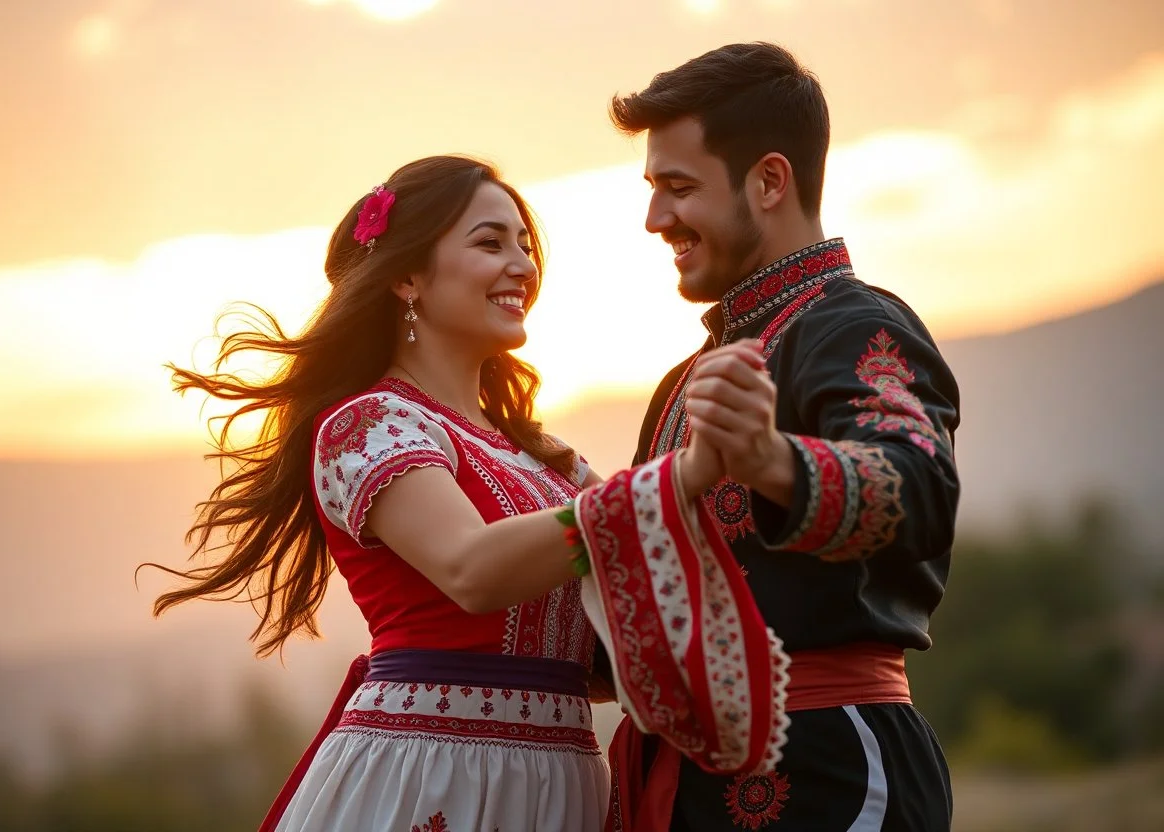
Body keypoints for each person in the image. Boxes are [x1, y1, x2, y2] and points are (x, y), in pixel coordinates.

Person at [146, 155, 789, 832]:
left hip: (560, 779)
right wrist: (681, 475)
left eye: (525, 245)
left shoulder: (543, 457)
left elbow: (637, 576)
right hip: (434, 772)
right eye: (490, 243)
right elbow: (471, 569)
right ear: (406, 276)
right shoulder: (368, 424)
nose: (523, 265)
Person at [601, 43, 962, 831]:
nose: (656, 218)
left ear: (768, 181)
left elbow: (918, 483)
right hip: (687, 789)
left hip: (830, 772)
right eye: (653, 189)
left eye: (678, 187)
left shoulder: (856, 322)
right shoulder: (677, 386)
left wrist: (772, 461)